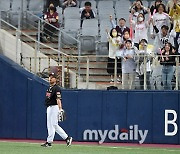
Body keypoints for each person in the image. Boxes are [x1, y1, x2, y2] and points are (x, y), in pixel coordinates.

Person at [41, 73, 72, 147]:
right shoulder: (49, 88)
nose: (50, 78)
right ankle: (49, 142)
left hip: (54, 107)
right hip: (49, 107)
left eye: (52, 77)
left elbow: (58, 99)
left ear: (55, 79)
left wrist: (60, 109)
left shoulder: (56, 88)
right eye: (50, 77)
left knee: (54, 124)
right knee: (50, 125)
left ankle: (67, 138)